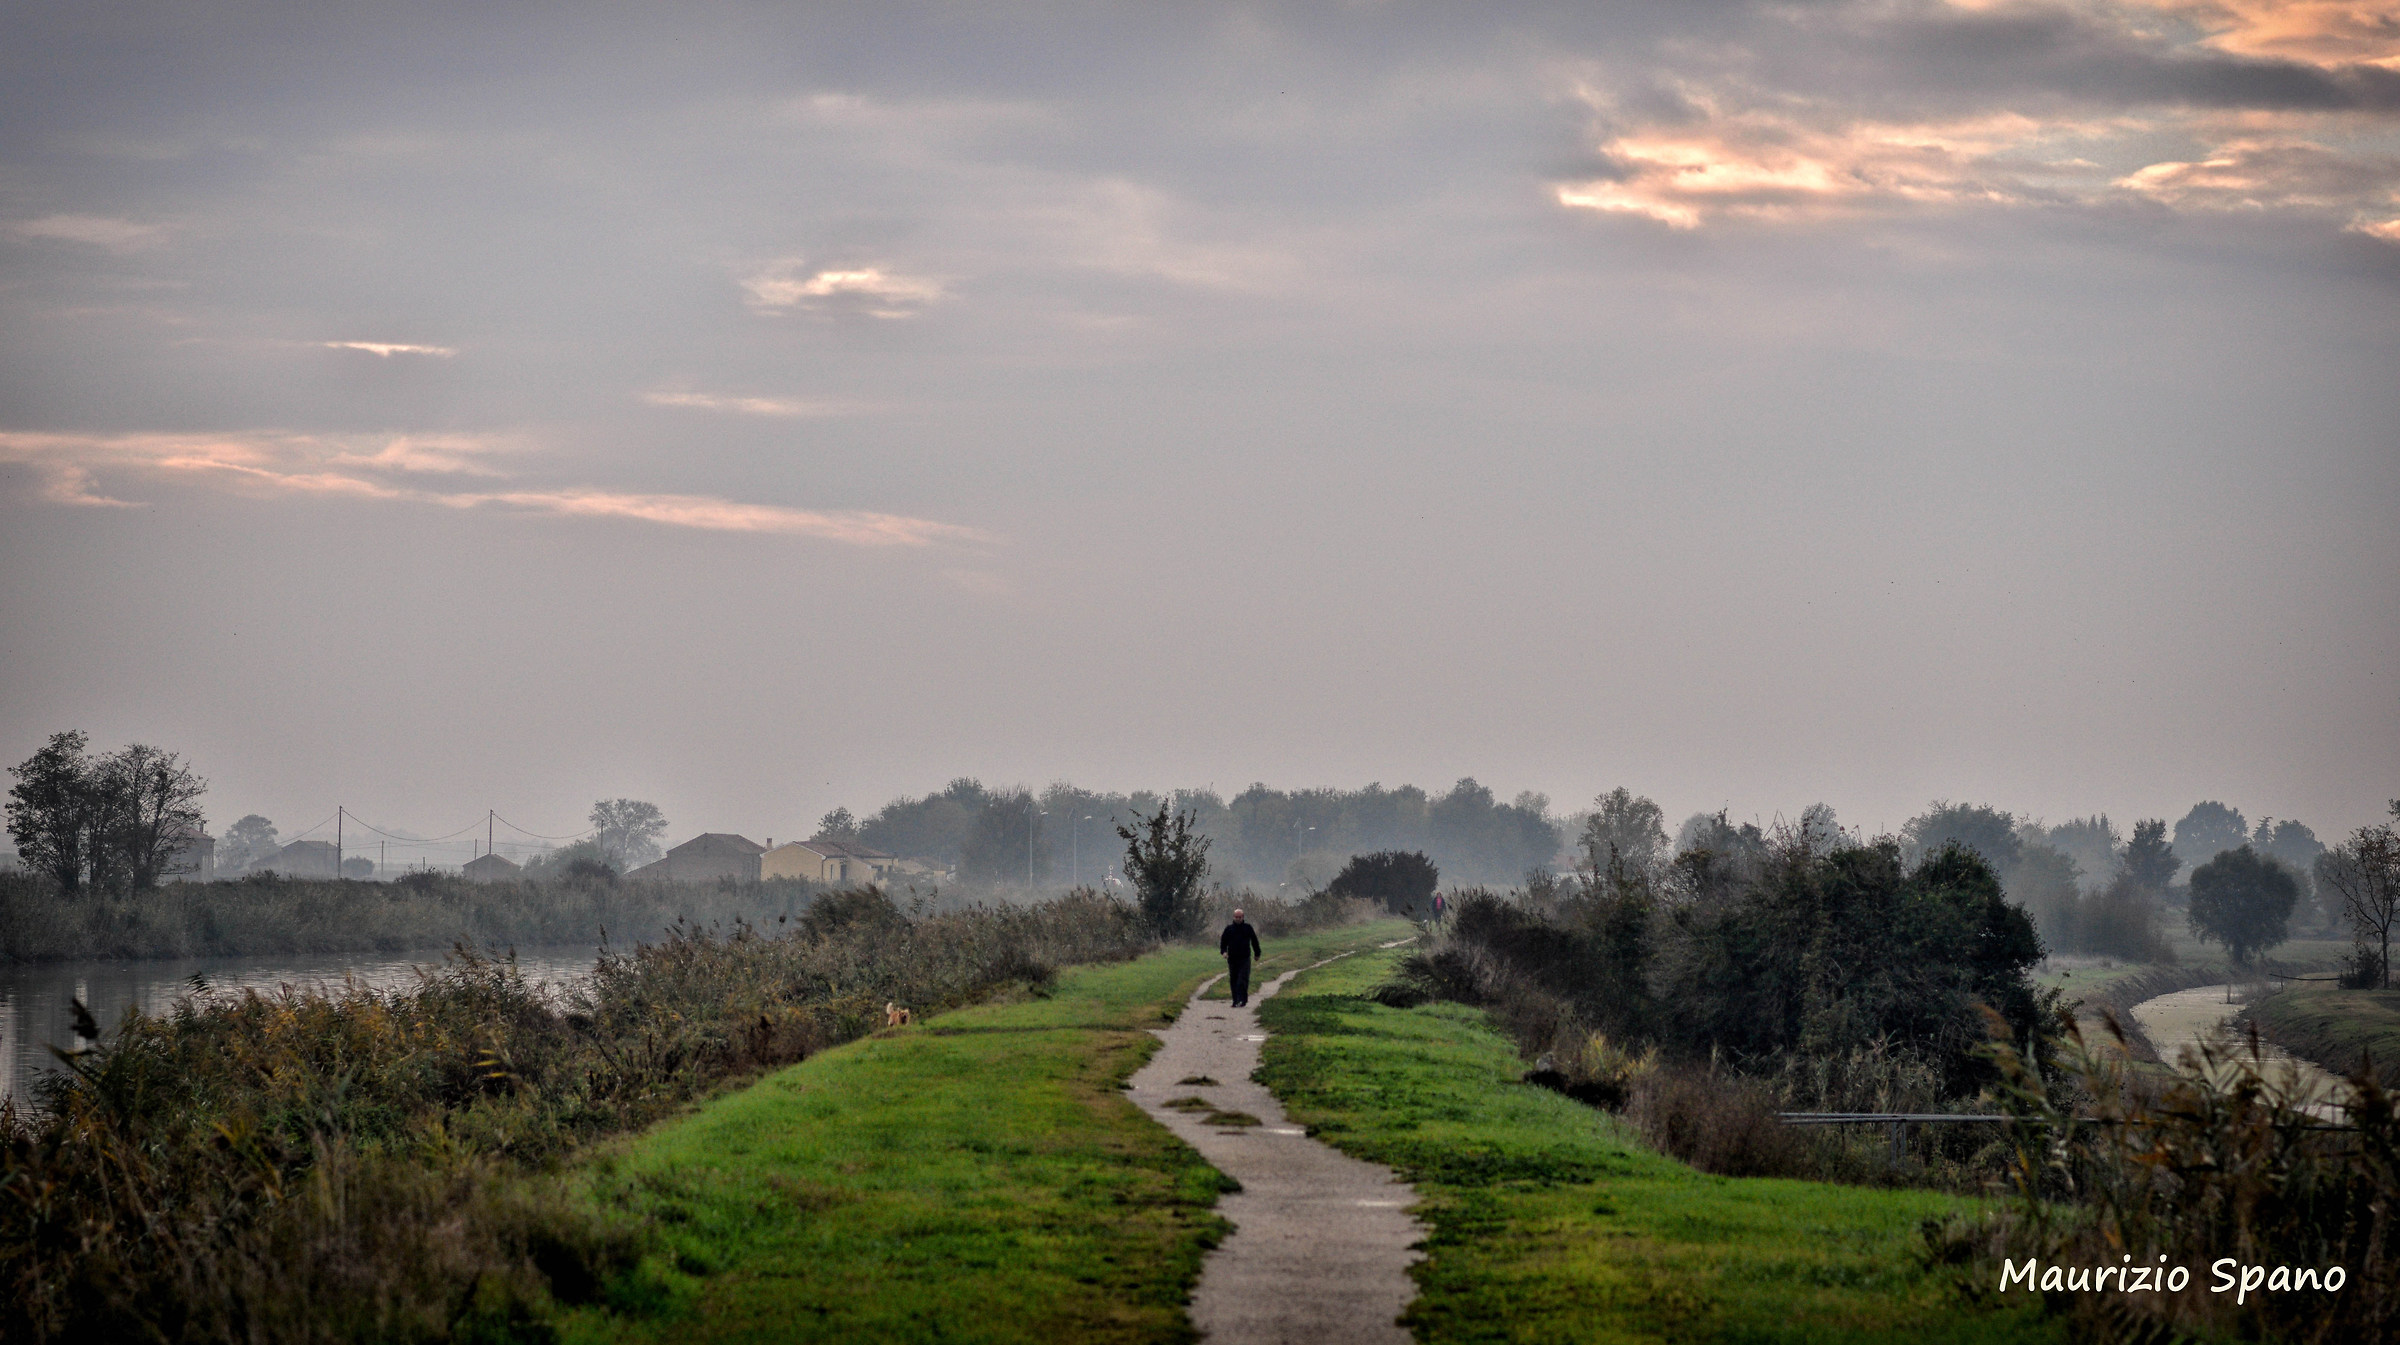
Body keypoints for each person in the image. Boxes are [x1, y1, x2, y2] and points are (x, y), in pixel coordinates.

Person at [1220, 907, 1264, 1007]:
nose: (1238, 919)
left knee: (1242, 979)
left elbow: (1254, 941)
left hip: (1244, 958)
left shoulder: (1248, 928)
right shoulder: (1229, 929)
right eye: (1236, 917)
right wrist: (1224, 952)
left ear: (1243, 917)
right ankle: (1235, 1000)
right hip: (1232, 958)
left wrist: (1257, 953)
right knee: (1234, 979)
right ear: (1233, 917)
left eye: (1240, 917)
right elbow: (1223, 943)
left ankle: (1242, 999)